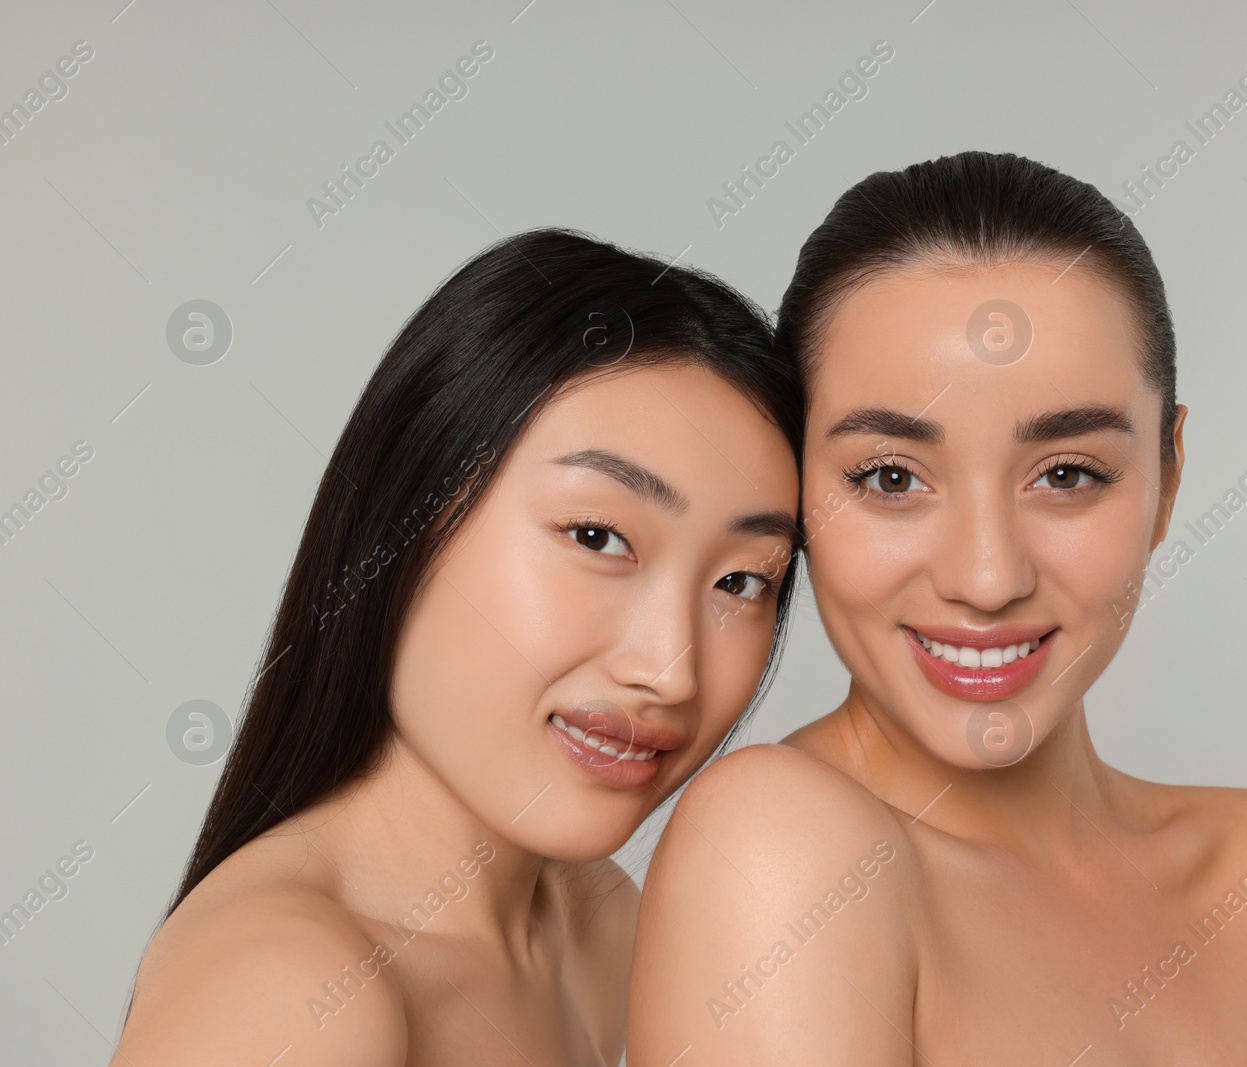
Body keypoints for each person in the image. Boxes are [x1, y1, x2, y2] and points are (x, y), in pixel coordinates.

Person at [628, 152, 1247, 1065]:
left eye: (1066, 474)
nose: (986, 576)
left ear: (1168, 478)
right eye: (890, 477)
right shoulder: (780, 853)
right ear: (796, 484)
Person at [113, 229, 805, 1066]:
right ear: (403, 518)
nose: (670, 668)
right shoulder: (291, 988)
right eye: (597, 535)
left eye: (742, 581)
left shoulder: (601, 923)